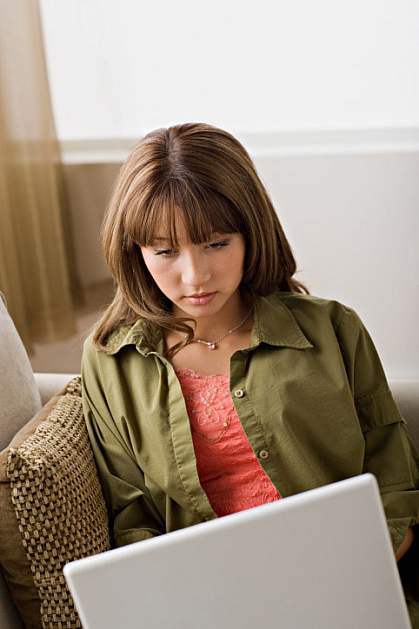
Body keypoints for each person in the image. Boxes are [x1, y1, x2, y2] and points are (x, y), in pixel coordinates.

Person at [81, 122, 419, 620]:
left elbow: (395, 489)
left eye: (216, 243)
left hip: (345, 597)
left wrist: (343, 575)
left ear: (251, 232)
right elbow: (132, 519)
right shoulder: (111, 360)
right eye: (165, 251)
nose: (195, 276)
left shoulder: (333, 331)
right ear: (135, 252)